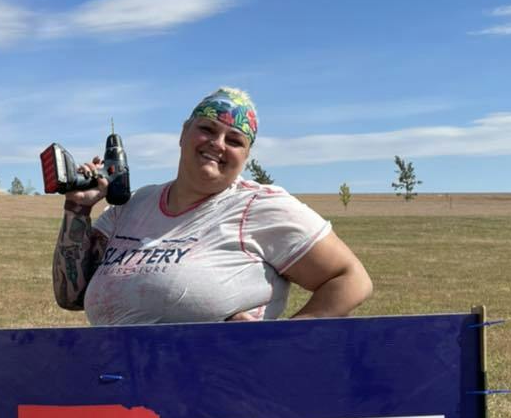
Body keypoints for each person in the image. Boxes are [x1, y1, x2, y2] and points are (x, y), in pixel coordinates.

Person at [52, 87, 372, 324]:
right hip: (117, 383)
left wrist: (280, 342)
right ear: (183, 133)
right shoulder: (133, 205)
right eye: (207, 129)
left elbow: (351, 278)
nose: (217, 144)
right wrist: (77, 209)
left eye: (234, 140)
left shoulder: (260, 206)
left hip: (214, 390)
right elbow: (72, 296)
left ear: (246, 156)